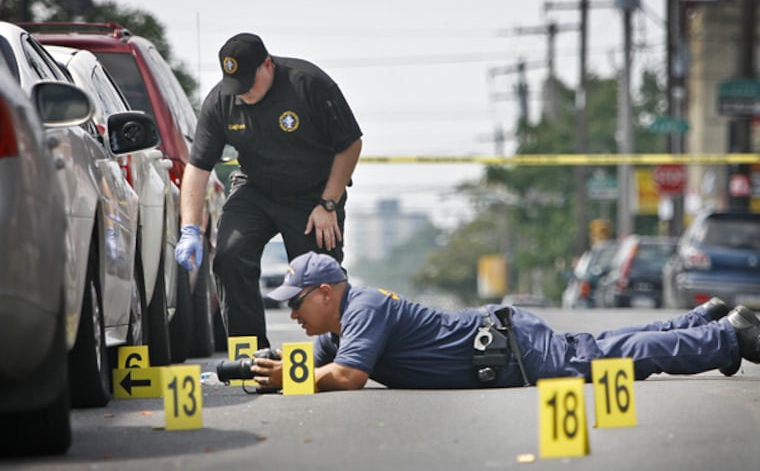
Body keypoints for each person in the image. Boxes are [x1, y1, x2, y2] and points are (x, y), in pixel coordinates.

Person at [248, 251, 760, 392]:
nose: (292, 314)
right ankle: (700, 319)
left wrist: (294, 380)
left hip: (513, 350)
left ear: (324, 293)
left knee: (613, 360)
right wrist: (268, 369)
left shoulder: (362, 309)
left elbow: (345, 378)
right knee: (600, 344)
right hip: (508, 339)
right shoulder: (341, 329)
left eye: (297, 303)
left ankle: (726, 338)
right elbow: (310, 369)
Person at [175, 33, 363, 349]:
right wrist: (189, 228)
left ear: (267, 64)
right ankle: (251, 353)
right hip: (255, 188)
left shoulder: (308, 84)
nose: (244, 93)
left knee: (318, 275)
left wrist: (328, 203)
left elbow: (350, 144)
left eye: (249, 83)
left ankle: (340, 350)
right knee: (230, 256)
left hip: (313, 194)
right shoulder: (221, 101)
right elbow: (197, 168)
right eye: (237, 85)